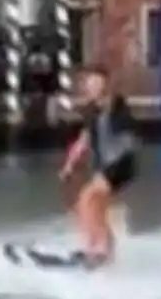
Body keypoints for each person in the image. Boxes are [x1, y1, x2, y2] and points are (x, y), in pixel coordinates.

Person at [58, 67, 138, 266]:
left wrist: (106, 90)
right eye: (89, 84)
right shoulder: (91, 110)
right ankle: (104, 250)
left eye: (97, 83)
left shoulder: (116, 103)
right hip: (105, 166)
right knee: (87, 206)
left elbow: (110, 102)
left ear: (106, 85)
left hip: (121, 162)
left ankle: (97, 249)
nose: (92, 87)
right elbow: (83, 141)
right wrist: (69, 165)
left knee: (88, 198)